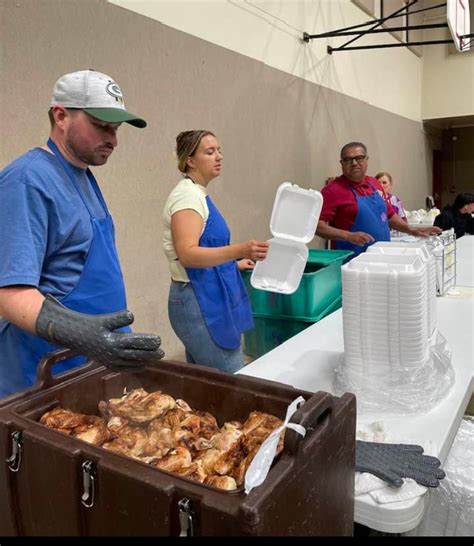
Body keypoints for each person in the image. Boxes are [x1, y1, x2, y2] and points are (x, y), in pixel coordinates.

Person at [0, 69, 164, 398]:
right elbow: (9, 294)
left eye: (116, 129)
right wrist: (82, 333)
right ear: (61, 116)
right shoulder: (27, 180)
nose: (113, 140)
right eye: (102, 126)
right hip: (42, 375)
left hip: (87, 368)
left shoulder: (82, 175)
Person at [162, 130, 269, 373]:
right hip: (197, 300)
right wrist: (240, 250)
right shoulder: (187, 197)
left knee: (206, 383)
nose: (218, 156)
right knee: (231, 380)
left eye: (219, 151)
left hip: (207, 293)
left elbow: (205, 248)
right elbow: (188, 254)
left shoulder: (197, 193)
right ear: (190, 160)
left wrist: (234, 264)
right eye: (210, 152)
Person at [316, 142, 441, 257]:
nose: (354, 163)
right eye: (348, 160)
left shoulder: (374, 183)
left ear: (367, 160)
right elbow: (317, 226)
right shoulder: (332, 191)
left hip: (381, 255)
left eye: (359, 158)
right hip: (352, 263)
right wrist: (348, 236)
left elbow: (390, 216)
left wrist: (412, 230)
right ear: (342, 163)